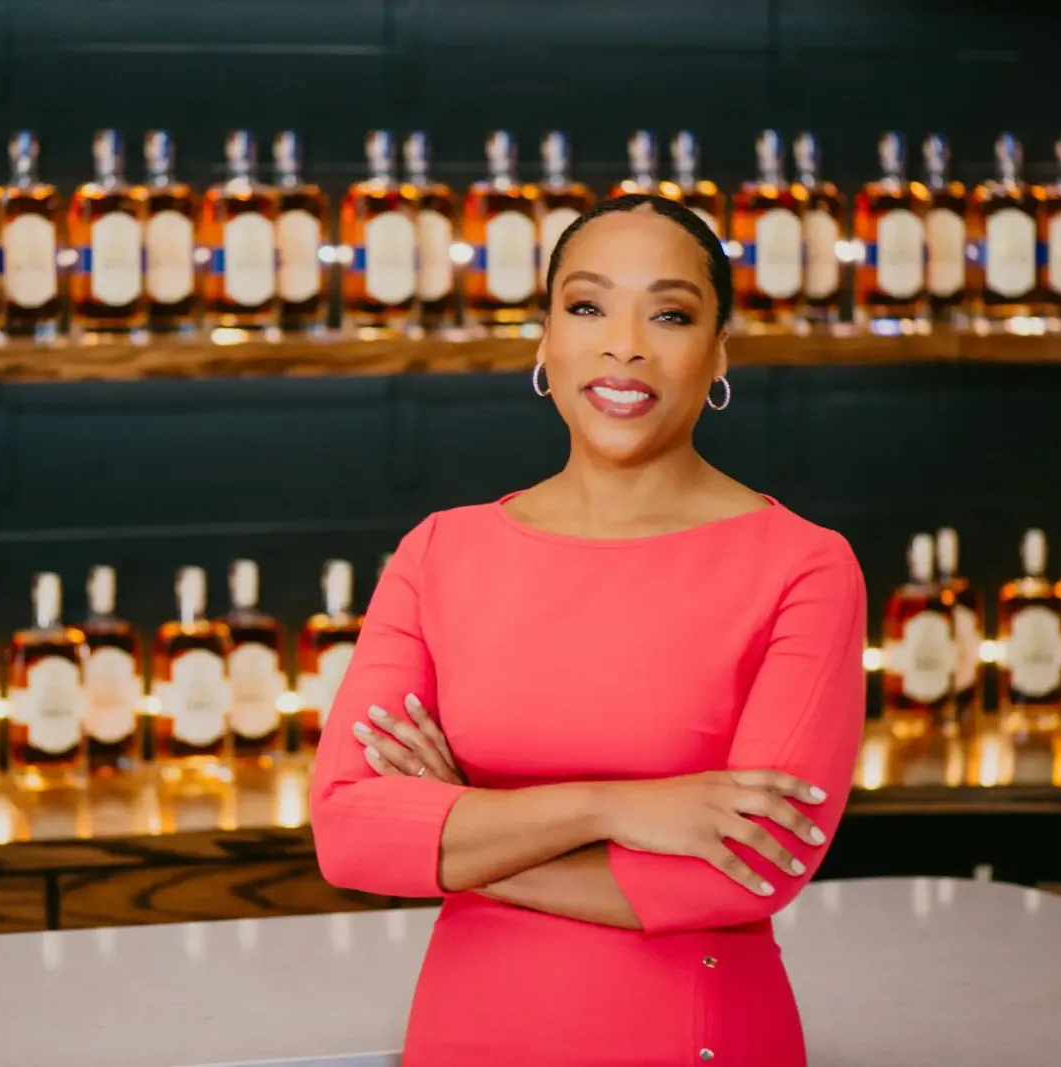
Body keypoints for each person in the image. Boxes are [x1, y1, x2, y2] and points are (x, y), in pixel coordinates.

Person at [309, 193, 866, 1066]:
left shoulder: (804, 566)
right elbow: (348, 833)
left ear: (718, 351)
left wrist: (460, 826)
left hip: (692, 1037)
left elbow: (747, 869)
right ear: (545, 338)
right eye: (586, 305)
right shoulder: (441, 551)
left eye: (671, 313)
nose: (624, 343)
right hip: (463, 1037)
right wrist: (622, 806)